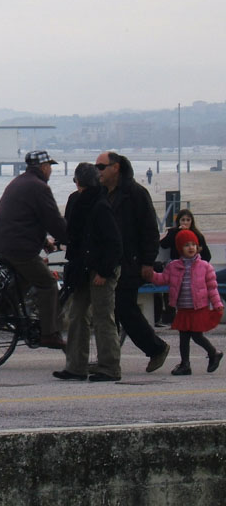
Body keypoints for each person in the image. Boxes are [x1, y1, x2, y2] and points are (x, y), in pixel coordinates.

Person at [96, 151, 169, 372]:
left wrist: (147, 262)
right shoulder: (101, 194)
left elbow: (150, 230)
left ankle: (155, 348)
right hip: (108, 261)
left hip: (130, 262)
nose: (97, 171)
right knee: (113, 310)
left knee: (124, 307)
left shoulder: (135, 193)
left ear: (115, 167)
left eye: (101, 167)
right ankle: (109, 358)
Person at [0, 150, 68, 349]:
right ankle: (49, 333)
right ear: (43, 167)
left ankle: (0, 311)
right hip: (19, 248)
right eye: (49, 166)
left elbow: (26, 219)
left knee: (23, 279)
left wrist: (45, 242)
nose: (50, 170)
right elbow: (52, 220)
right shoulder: (39, 187)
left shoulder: (19, 182)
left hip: (3, 243)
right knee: (48, 284)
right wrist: (70, 239)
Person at [53, 163, 122, 382]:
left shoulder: (100, 206)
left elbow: (113, 243)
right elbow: (72, 235)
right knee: (77, 316)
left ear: (78, 182)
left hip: (100, 268)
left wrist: (104, 271)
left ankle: (109, 368)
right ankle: (76, 367)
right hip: (81, 268)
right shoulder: (79, 201)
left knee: (102, 318)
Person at [148, 230, 223, 375]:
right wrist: (151, 275)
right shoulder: (173, 266)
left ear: (197, 247)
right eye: (186, 245)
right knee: (183, 337)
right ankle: (185, 364)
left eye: (193, 244)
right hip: (183, 308)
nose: (190, 248)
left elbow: (212, 288)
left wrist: (217, 304)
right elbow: (163, 279)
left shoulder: (205, 266)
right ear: (180, 248)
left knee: (196, 335)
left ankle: (214, 352)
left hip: (198, 307)